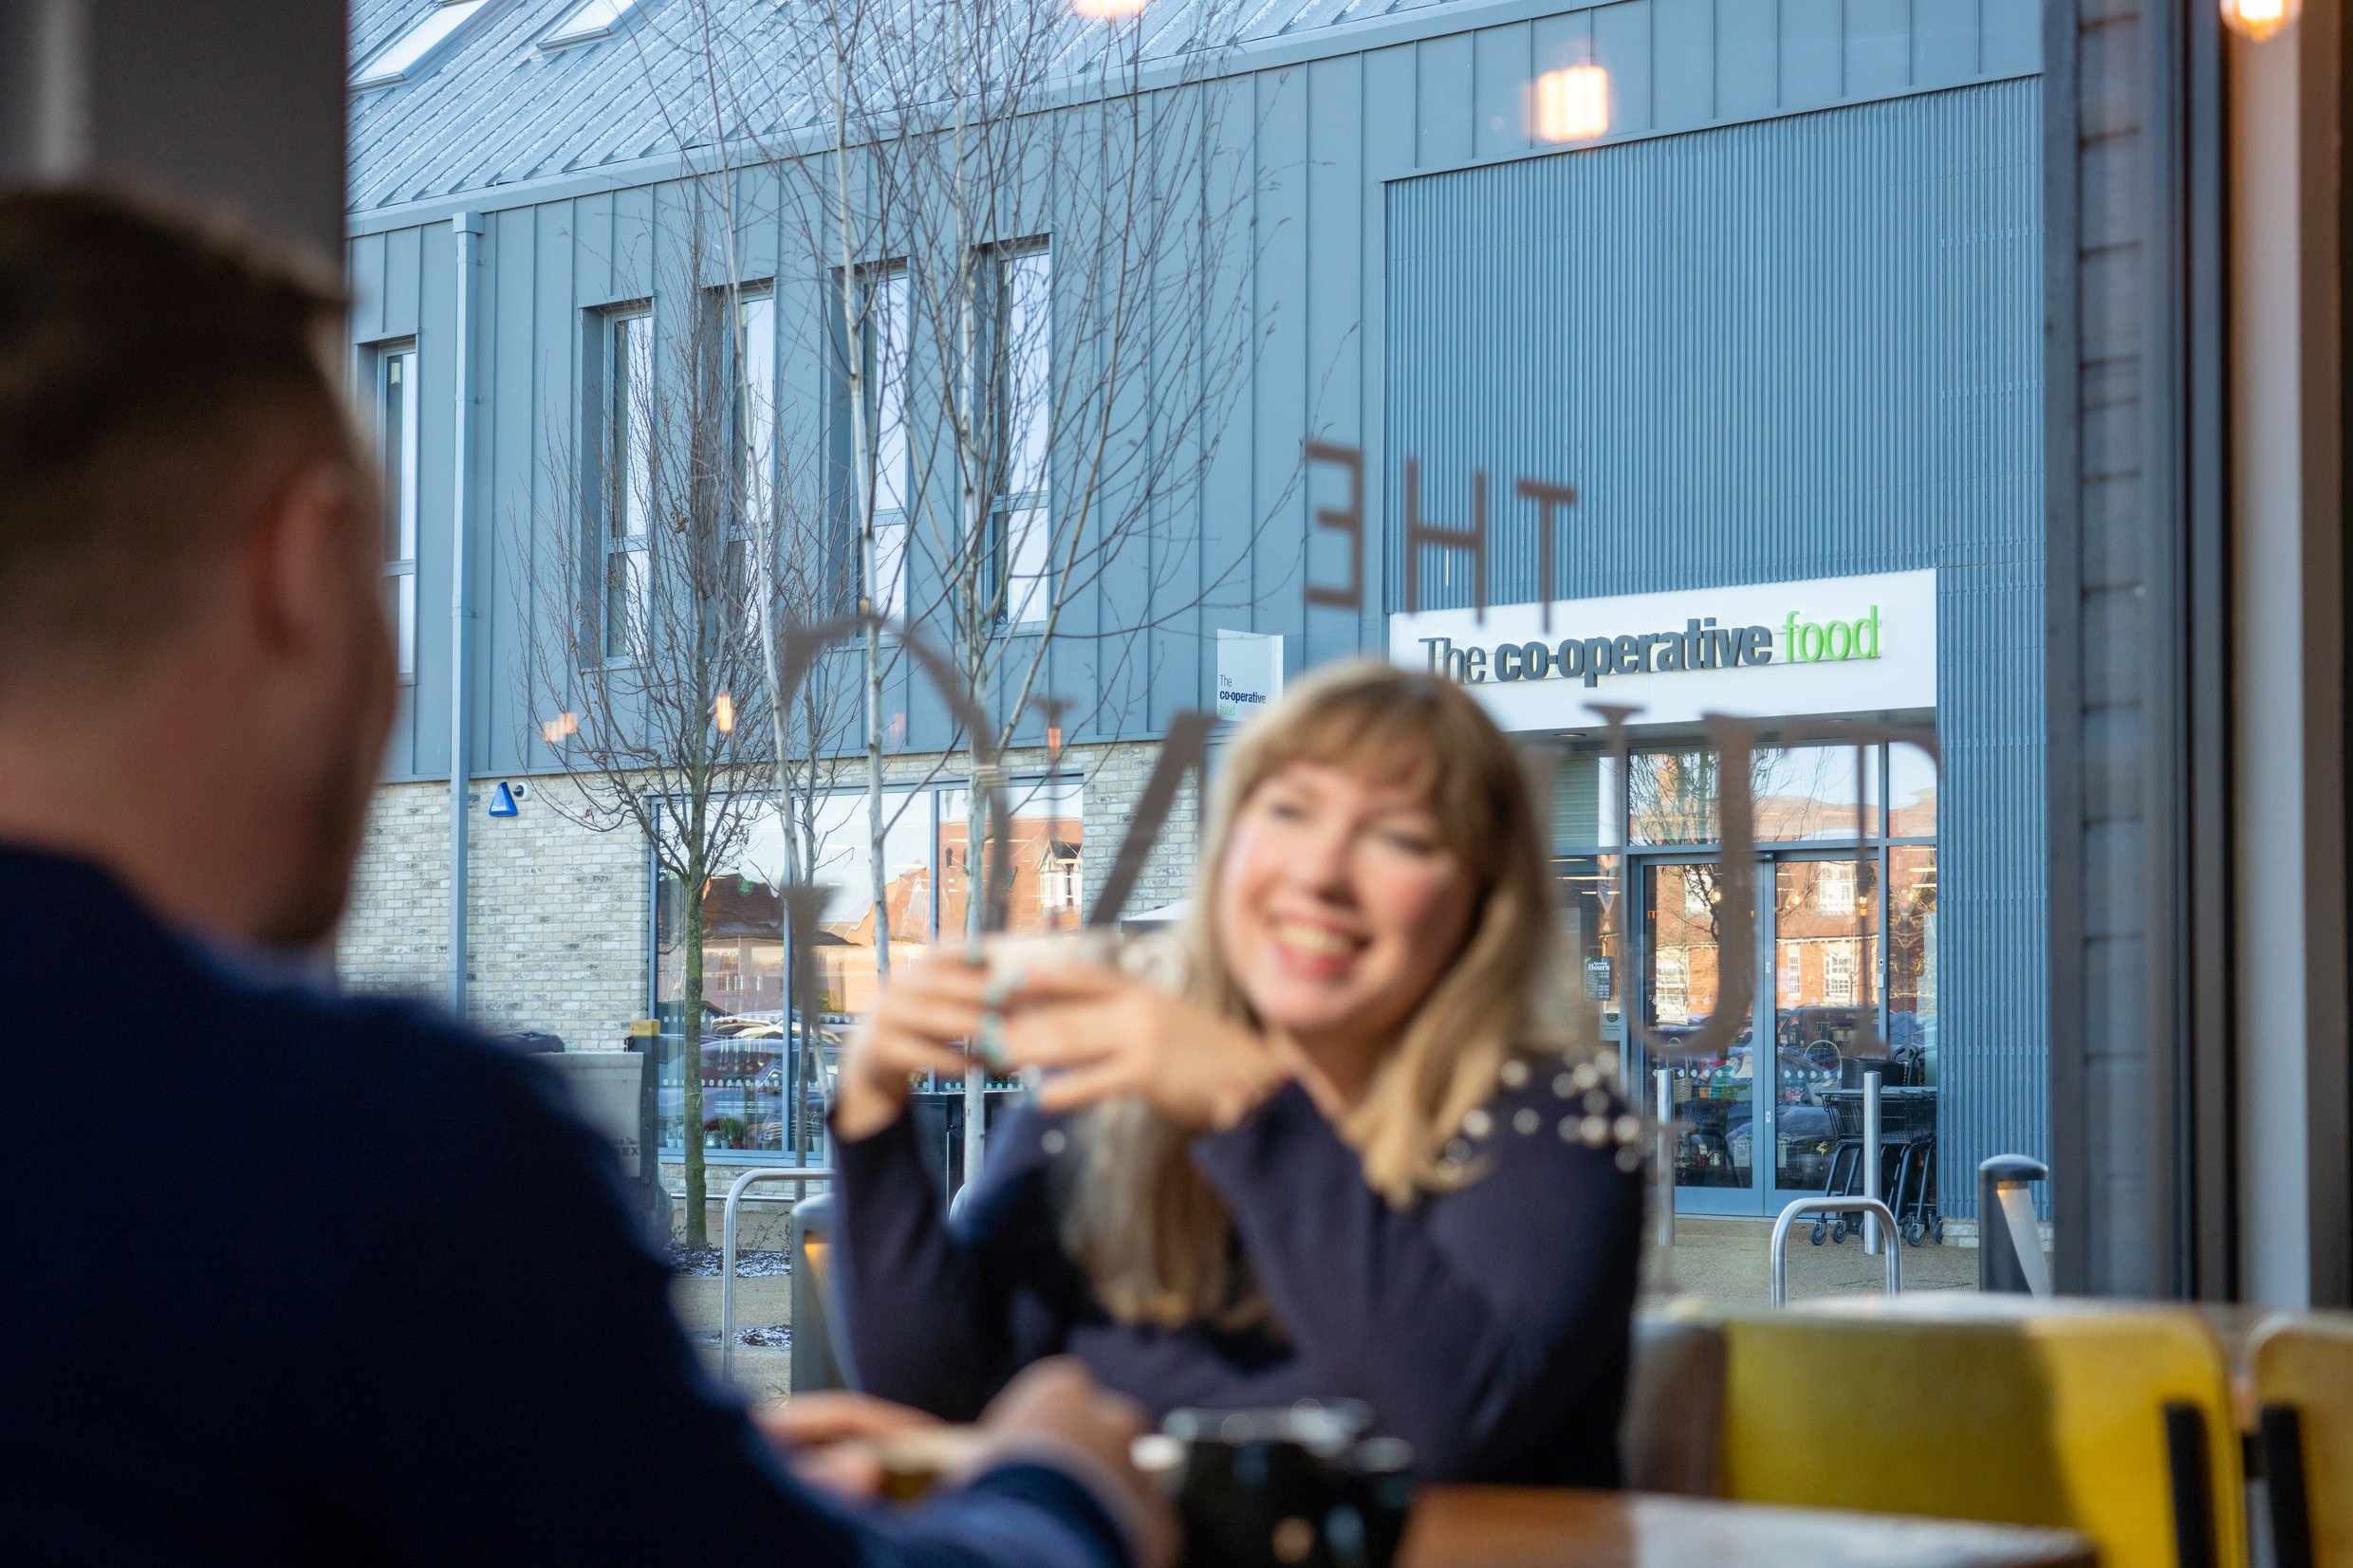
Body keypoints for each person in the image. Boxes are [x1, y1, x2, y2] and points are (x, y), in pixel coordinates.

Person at [0, 186, 1161, 1567]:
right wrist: (1061, 1492)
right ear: (299, 573)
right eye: (383, 572)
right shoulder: (371, 1154)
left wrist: (640, 1462)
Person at [830, 661, 1646, 1485]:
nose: (1321, 874)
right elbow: (938, 1401)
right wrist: (867, 1108)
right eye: (1289, 810)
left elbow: (1440, 1428)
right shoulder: (1116, 1091)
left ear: (1481, 897)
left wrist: (1251, 1103)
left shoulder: (1557, 1117)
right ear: (1227, 848)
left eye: (1400, 836)